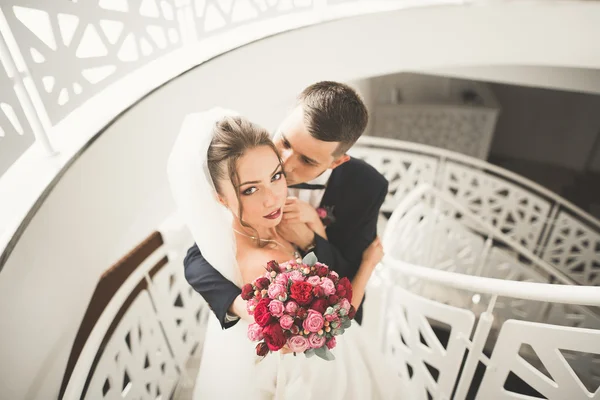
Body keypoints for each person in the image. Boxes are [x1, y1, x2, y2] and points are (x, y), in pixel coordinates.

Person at [167, 108, 400, 399]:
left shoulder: (269, 218)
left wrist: (313, 231)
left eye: (276, 176)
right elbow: (339, 315)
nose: (273, 197)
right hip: (306, 373)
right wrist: (368, 265)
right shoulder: (266, 266)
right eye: (250, 190)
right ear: (221, 199)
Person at [184, 81, 389, 329]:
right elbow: (199, 255)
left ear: (336, 163)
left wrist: (310, 241)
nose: (284, 163)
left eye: (307, 160)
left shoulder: (366, 187)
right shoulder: (252, 154)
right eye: (285, 142)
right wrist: (241, 306)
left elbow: (350, 277)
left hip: (326, 316)